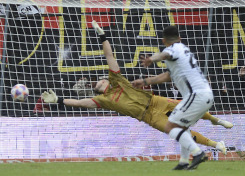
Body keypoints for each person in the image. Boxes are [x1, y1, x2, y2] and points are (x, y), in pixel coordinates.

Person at [42, 21, 232, 169]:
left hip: (156, 101)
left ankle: (216, 120)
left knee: (188, 105)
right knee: (182, 131)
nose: (99, 81)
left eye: (100, 79)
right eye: (97, 83)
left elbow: (109, 56)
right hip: (148, 116)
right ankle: (216, 145)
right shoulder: (102, 100)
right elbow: (79, 103)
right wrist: (59, 100)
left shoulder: (117, 80)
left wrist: (102, 35)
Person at [132, 25, 214, 170]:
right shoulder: (183, 50)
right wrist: (145, 81)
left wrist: (151, 58)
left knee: (170, 126)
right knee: (183, 127)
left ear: (164, 41)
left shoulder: (173, 48)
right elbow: (168, 76)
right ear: (179, 37)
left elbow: (164, 55)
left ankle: (198, 153)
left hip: (196, 95)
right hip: (205, 94)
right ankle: (184, 162)